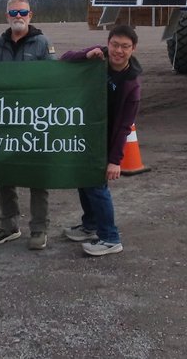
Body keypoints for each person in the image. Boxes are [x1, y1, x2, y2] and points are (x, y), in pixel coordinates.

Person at [61, 23, 142, 256]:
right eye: (115, 45)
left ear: (133, 49)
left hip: (105, 139)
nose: (118, 51)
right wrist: (85, 55)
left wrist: (115, 160)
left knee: (97, 186)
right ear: (108, 43)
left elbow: (125, 126)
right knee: (84, 180)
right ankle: (91, 225)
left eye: (125, 47)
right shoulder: (99, 56)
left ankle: (110, 237)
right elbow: (66, 59)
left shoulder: (131, 84)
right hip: (85, 132)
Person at [0, 0, 55, 249]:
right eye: (13, 13)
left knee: (37, 175)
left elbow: (54, 78)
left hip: (33, 122)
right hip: (4, 120)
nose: (18, 18)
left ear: (30, 15)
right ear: (7, 17)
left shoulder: (41, 43)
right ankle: (8, 225)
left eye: (22, 13)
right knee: (4, 173)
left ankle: (38, 228)